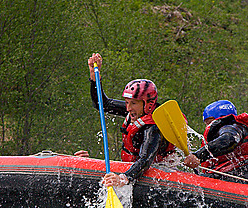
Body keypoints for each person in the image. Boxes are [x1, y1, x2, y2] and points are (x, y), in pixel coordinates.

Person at [74, 52, 175, 187]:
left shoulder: (154, 127)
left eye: (133, 103)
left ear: (148, 104)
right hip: (130, 170)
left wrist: (123, 178)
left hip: (154, 177)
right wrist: (94, 76)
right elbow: (102, 104)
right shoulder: (136, 111)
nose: (128, 108)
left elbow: (145, 160)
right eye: (127, 102)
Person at [182, 100, 248, 186]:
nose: (208, 126)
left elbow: (229, 140)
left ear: (220, 118)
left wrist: (198, 156)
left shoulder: (232, 126)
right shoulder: (241, 128)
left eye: (209, 122)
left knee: (194, 181)